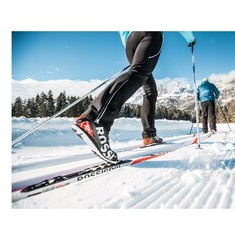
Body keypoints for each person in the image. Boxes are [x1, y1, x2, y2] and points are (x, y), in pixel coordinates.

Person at [72, 31, 196, 163]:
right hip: (149, 33)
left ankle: (149, 135)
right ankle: (96, 120)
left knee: (150, 90)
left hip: (130, 41)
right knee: (139, 74)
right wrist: (191, 38)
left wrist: (131, 45)